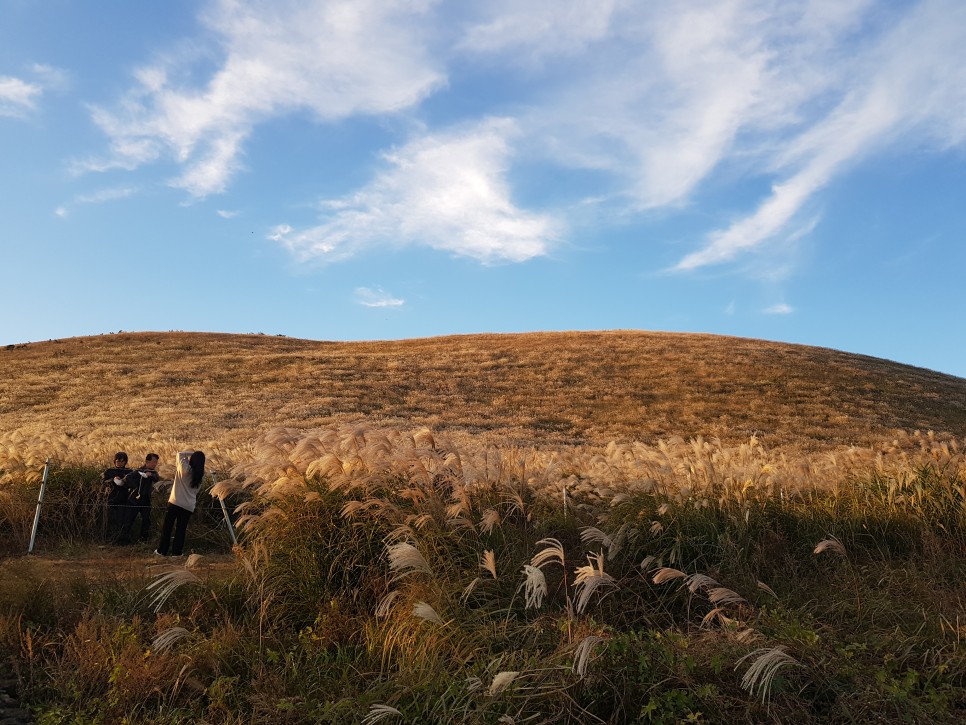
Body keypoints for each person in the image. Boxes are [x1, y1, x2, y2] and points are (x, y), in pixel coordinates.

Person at [155, 450, 205, 557]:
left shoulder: (184, 468)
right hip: (188, 506)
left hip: (175, 502)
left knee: (167, 527)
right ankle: (176, 552)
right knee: (181, 529)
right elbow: (196, 492)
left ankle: (162, 551)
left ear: (192, 459)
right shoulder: (199, 476)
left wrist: (192, 453)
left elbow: (179, 454)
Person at [117, 453, 160, 544]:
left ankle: (143, 540)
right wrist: (136, 484)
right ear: (147, 461)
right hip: (134, 500)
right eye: (154, 462)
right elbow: (127, 478)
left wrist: (150, 475)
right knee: (128, 521)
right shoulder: (138, 471)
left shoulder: (153, 472)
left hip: (145, 500)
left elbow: (157, 478)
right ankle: (123, 541)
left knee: (146, 521)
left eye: (156, 462)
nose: (155, 464)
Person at [101, 452, 131, 542]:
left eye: (122, 461)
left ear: (125, 462)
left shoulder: (129, 472)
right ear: (114, 461)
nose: (120, 463)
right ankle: (110, 539)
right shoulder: (109, 471)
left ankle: (122, 540)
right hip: (111, 498)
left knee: (122, 520)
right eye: (118, 461)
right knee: (111, 520)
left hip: (124, 499)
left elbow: (133, 483)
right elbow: (103, 482)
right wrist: (112, 480)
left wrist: (125, 481)